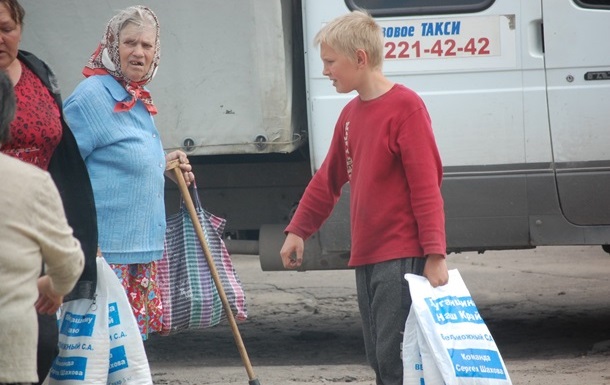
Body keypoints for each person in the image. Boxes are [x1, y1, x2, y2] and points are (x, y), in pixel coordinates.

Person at [279, 10, 449, 385]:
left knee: (397, 361)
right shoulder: (350, 114)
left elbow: (426, 188)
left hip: (402, 255)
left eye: (330, 61)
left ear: (359, 58)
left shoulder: (407, 108)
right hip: (369, 255)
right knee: (380, 357)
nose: (325, 70)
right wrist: (298, 231)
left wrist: (435, 255)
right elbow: (327, 180)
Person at [63, 5, 194, 341]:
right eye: (130, 43)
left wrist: (163, 161)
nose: (139, 53)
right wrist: (83, 242)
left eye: (147, 46)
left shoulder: (134, 97)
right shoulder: (92, 97)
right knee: (102, 352)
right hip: (106, 254)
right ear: (111, 46)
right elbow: (62, 172)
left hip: (139, 251)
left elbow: (121, 157)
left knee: (128, 355)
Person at [0, 0, 98, 382]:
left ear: (21, 26)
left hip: (34, 218)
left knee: (41, 343)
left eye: (6, 27)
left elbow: (63, 155)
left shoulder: (38, 73)